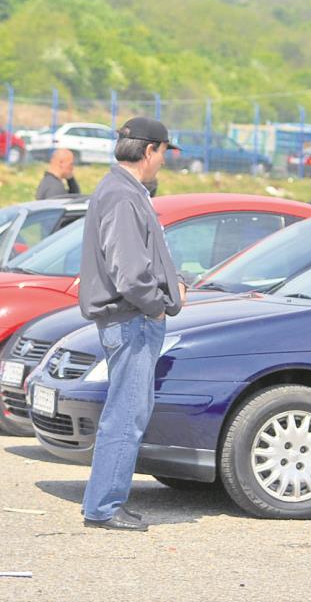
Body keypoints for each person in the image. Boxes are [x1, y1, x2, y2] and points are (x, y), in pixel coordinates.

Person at [77, 118, 185, 532]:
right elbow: (128, 271)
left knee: (125, 411)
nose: (162, 162)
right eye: (162, 153)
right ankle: (104, 506)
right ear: (148, 151)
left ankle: (102, 503)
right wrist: (157, 305)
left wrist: (169, 286)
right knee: (126, 413)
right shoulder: (123, 195)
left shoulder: (121, 191)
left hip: (129, 316)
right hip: (132, 318)